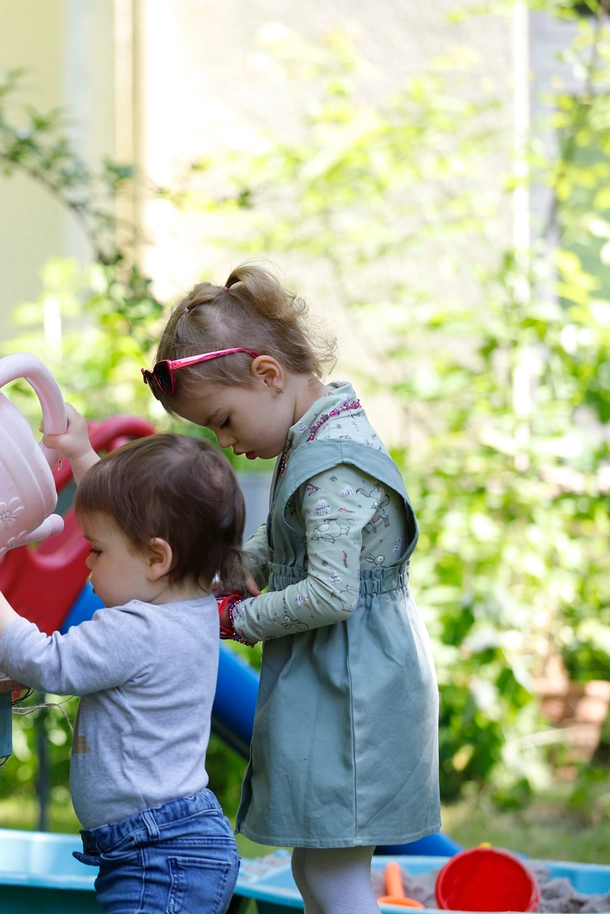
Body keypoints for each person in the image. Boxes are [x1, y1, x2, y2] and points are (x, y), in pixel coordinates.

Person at [132, 262, 440, 914]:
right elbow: (286, 546)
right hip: (336, 680)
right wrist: (229, 569)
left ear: (268, 376)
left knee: (330, 873)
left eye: (223, 420)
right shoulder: (314, 436)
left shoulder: (331, 462)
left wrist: (236, 620)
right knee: (318, 866)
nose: (223, 442)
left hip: (354, 693)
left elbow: (332, 592)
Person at [0, 433, 244, 914]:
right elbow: (134, 521)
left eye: (96, 550)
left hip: (158, 858)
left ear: (158, 558)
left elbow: (45, 663)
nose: (87, 563)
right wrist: (81, 456)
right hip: (167, 847)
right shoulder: (193, 605)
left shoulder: (137, 630)